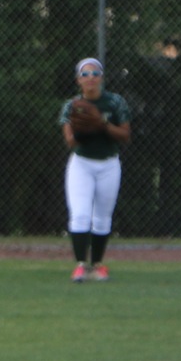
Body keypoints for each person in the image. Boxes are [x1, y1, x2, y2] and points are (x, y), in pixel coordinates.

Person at [58, 56, 133, 282]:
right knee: (80, 215)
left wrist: (102, 124)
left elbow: (125, 136)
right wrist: (84, 127)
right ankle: (81, 265)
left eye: (94, 74)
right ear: (78, 80)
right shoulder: (72, 106)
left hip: (109, 164)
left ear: (101, 78)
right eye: (85, 74)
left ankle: (98, 265)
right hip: (82, 164)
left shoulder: (115, 102)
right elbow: (70, 141)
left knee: (102, 218)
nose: (90, 78)